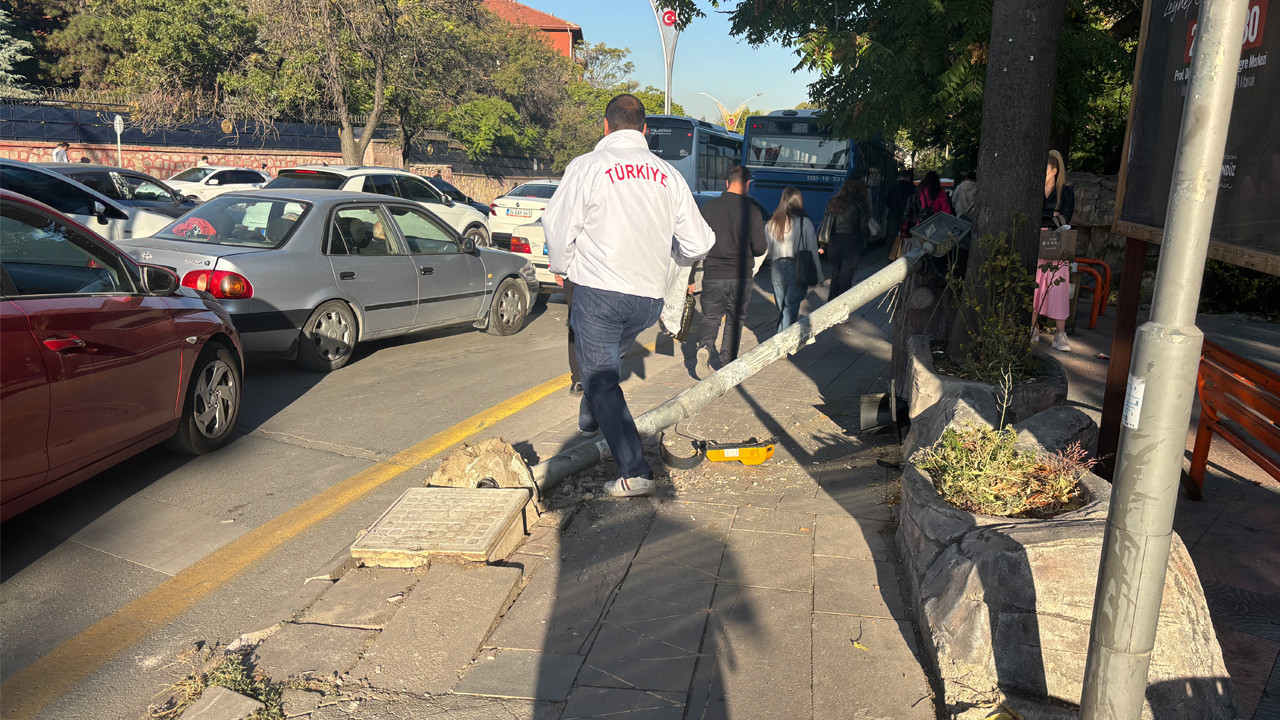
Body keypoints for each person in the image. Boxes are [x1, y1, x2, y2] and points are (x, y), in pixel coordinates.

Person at [543, 94, 715, 498]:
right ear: (646, 131)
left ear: (605, 127)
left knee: (601, 379)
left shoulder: (588, 166)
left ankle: (634, 470)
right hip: (647, 300)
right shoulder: (668, 176)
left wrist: (564, 266)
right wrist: (675, 260)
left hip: (599, 292)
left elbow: (556, 223)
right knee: (605, 361)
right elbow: (699, 241)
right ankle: (591, 414)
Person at [693, 165, 768, 379]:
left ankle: (706, 347)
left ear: (726, 183)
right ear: (747, 185)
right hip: (740, 275)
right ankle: (727, 363)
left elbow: (698, 242)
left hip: (713, 273)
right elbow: (761, 248)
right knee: (735, 320)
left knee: (711, 317)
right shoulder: (752, 210)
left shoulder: (709, 207)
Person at [1034, 150, 1076, 352]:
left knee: (1058, 288)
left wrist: (1048, 217)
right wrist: (1053, 215)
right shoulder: (1033, 188)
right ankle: (1032, 328)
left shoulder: (1066, 191)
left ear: (1054, 171)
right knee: (1034, 286)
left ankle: (1060, 334)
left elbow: (1066, 217)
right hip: (1036, 239)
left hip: (1056, 242)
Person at [766, 187, 823, 332]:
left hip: (777, 268)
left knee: (782, 307)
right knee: (790, 307)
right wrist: (820, 275)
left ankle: (782, 338)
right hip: (797, 268)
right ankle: (782, 341)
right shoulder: (805, 223)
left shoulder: (773, 223)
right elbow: (812, 251)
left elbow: (767, 250)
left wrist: (755, 267)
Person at [824, 176, 871, 300]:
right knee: (846, 278)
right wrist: (864, 243)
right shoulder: (861, 204)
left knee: (836, 273)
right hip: (852, 244)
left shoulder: (834, 201)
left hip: (834, 243)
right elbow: (863, 228)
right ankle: (842, 308)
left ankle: (830, 303)